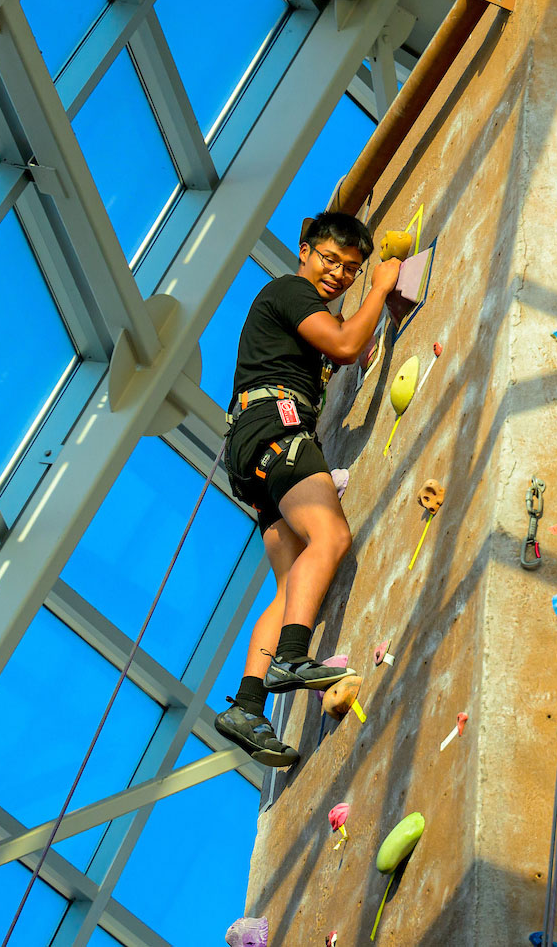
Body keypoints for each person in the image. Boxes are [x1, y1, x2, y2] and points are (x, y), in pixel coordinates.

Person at [213, 212, 408, 766]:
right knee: (332, 537)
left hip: (253, 447)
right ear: (304, 251)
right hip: (278, 425)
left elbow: (347, 347)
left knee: (291, 579)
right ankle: (292, 658)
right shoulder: (290, 291)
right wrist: (380, 289)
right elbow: (346, 345)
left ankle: (248, 706)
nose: (339, 275)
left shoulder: (295, 313)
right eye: (330, 260)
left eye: (352, 270)